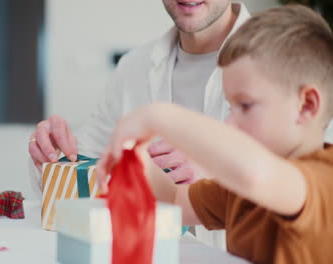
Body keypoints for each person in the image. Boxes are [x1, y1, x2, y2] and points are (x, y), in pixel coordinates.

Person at [96, 5, 333, 263]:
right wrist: (139, 162)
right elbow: (176, 200)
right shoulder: (239, 191)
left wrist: (159, 116)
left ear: (307, 105)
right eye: (230, 107)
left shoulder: (322, 180)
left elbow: (254, 174)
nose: (230, 122)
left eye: (246, 106)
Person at [30, 0, 250, 193]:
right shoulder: (134, 66)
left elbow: (284, 187)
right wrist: (54, 157)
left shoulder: (278, 59)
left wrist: (219, 177)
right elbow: (88, 165)